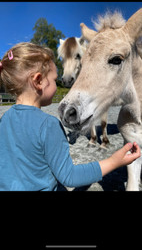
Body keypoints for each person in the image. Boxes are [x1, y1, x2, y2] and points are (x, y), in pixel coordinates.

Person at [0, 42, 141, 191]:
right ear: (39, 81)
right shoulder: (48, 125)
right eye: (55, 80)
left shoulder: (4, 119)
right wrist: (114, 161)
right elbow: (69, 176)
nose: (57, 83)